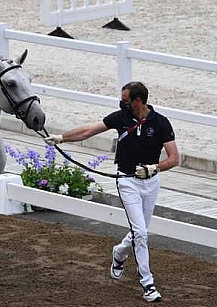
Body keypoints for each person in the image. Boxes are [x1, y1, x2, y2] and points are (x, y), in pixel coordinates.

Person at [45, 81, 179, 303]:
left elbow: (174, 158)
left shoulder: (161, 123)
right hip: (127, 182)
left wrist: (154, 168)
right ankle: (148, 283)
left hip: (151, 183)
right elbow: (89, 130)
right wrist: (61, 138)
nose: (122, 103)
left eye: (125, 100)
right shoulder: (120, 118)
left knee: (140, 232)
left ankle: (119, 253)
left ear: (138, 101)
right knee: (141, 234)